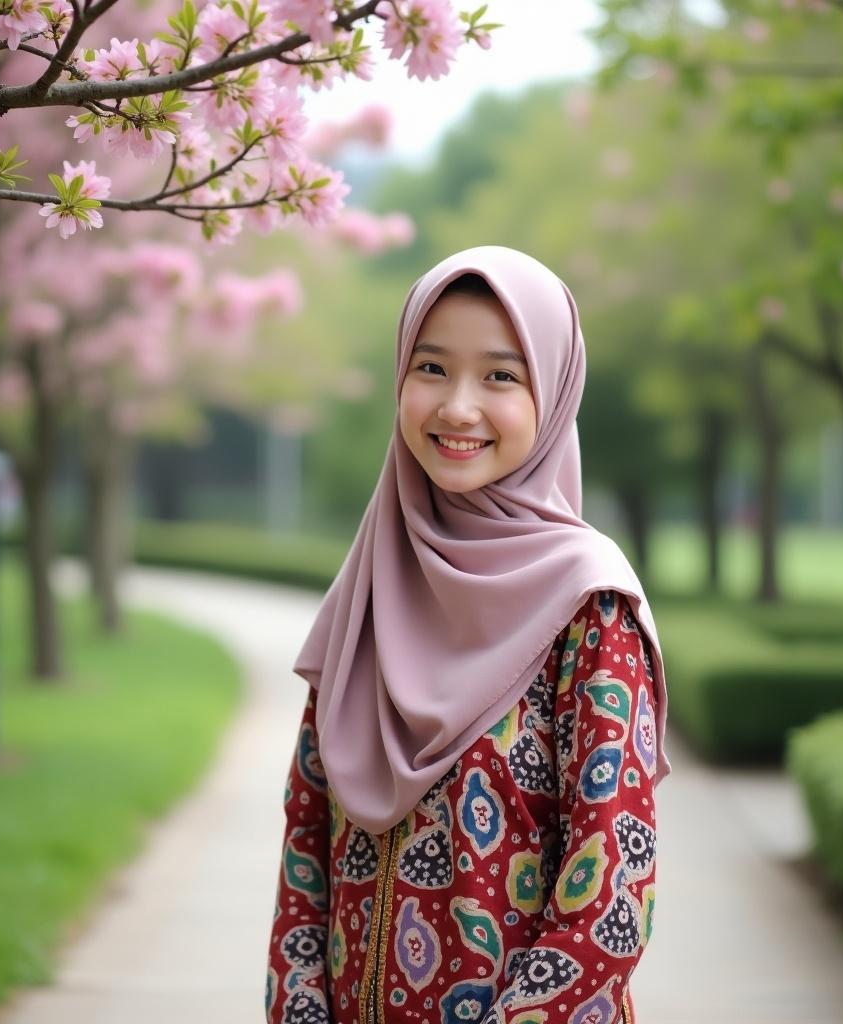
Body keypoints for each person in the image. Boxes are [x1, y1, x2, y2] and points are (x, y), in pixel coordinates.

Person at [265, 245, 671, 1024]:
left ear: (552, 394)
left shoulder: (590, 607)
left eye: (500, 375)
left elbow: (611, 889)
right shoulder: (375, 585)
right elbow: (305, 856)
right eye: (430, 368)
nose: (456, 407)